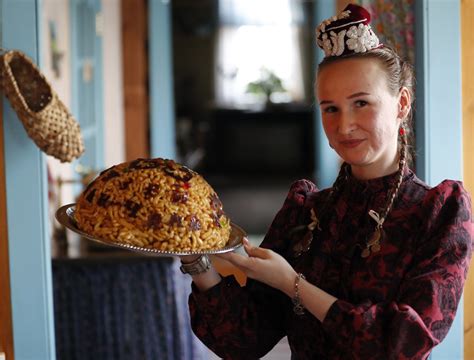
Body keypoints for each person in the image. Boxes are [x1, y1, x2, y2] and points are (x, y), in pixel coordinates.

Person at [179, 3, 473, 359]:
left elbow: (401, 343)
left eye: (361, 103)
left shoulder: (438, 214)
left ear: (402, 104)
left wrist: (293, 284)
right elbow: (243, 340)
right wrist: (196, 259)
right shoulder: (306, 212)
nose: (344, 125)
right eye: (330, 108)